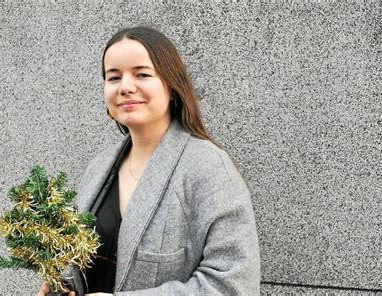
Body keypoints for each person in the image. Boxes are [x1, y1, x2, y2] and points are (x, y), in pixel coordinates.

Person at [39, 26, 260, 296]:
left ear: (172, 87)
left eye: (142, 74)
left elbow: (235, 285)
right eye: (114, 77)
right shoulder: (99, 168)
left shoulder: (208, 167)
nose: (126, 87)